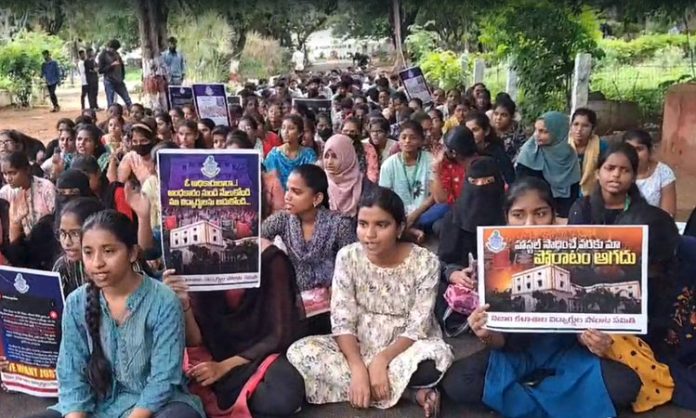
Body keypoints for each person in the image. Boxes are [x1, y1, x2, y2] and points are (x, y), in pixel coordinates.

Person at [440, 177, 641, 418]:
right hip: (515, 354)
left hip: (567, 354)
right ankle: (561, 398)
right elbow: (499, 341)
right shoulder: (495, 258)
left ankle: (520, 399)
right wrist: (486, 333)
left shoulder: (576, 250)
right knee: (458, 381)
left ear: (554, 214)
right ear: (506, 217)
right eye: (518, 215)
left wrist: (596, 339)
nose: (529, 223)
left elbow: (586, 315)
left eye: (540, 213)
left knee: (626, 385)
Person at [286, 187, 453, 417]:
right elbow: (342, 319)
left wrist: (381, 360)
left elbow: (419, 325)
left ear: (400, 228)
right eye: (363, 224)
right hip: (359, 341)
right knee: (300, 353)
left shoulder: (425, 262)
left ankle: (372, 387)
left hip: (406, 345)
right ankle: (407, 393)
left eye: (381, 225)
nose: (369, 234)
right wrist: (357, 368)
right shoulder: (348, 257)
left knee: (435, 359)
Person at [26, 210, 204, 418]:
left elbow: (164, 378)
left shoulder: (163, 301)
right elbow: (71, 373)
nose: (97, 262)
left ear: (132, 253)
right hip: (96, 404)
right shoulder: (76, 302)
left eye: (109, 251)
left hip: (155, 406)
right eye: (88, 252)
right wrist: (76, 415)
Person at [162, 235, 306, 417]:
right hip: (214, 356)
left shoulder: (271, 260)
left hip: (262, 356)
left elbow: (278, 335)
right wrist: (184, 305)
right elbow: (196, 341)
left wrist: (223, 367)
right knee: (180, 397)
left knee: (281, 398)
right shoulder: (197, 258)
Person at [261, 164, 355, 334]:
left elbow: (350, 269)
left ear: (317, 198)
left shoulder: (340, 225)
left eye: (296, 192)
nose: (287, 197)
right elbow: (257, 239)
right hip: (294, 304)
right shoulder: (282, 220)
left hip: (332, 305)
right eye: (288, 189)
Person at [438, 157, 505, 274]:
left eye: (488, 181)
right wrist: (453, 273)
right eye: (474, 182)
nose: (480, 187)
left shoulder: (511, 216)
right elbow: (442, 263)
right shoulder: (453, 218)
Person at [379, 121, 437, 240]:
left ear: (421, 141)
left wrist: (414, 215)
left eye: (413, 138)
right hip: (397, 213)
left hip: (424, 212)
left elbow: (433, 195)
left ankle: (404, 229)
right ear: (398, 140)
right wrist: (402, 217)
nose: (407, 141)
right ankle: (407, 229)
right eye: (403, 137)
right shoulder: (389, 165)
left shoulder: (430, 160)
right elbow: (385, 197)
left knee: (442, 210)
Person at [516, 111, 581, 218]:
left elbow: (573, 189)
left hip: (563, 213)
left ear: (558, 132)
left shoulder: (569, 155)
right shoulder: (529, 152)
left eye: (543, 131)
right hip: (534, 213)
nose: (537, 135)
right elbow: (521, 189)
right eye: (536, 130)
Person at [568, 142, 646, 225]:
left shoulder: (644, 213)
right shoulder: (582, 209)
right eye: (610, 168)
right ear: (597, 173)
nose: (616, 174)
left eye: (624, 170)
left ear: (634, 177)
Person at [52, 197, 104, 296]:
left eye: (75, 233)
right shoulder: (63, 266)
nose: (67, 242)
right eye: (62, 233)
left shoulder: (112, 264)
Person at [0, 152, 56, 242]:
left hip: (48, 241)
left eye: (12, 173)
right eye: (5, 174)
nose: (8, 178)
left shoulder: (46, 187)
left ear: (27, 170)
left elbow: (55, 219)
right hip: (19, 242)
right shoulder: (5, 193)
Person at [623, 129, 677, 217]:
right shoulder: (618, 171)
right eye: (629, 149)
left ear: (649, 150)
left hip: (655, 225)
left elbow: (668, 214)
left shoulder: (663, 173)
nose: (634, 154)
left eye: (639, 149)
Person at [323, 134, 378, 218]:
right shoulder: (320, 182)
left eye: (335, 156)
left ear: (347, 157)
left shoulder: (366, 187)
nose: (329, 162)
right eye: (326, 156)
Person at [264, 114, 317, 190]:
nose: (285, 132)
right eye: (283, 128)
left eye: (291, 128)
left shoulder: (309, 155)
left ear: (300, 133)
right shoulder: (274, 155)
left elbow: (312, 182)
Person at [430, 126, 478, 206]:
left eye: (445, 147)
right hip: (457, 211)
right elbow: (441, 199)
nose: (443, 150)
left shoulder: (484, 164)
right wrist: (436, 170)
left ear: (453, 153)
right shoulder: (448, 166)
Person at [464, 111, 515, 185]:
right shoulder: (464, 153)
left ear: (486, 131)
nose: (470, 134)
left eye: (475, 130)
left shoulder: (497, 153)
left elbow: (509, 179)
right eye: (467, 131)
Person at [568, 108, 608, 197]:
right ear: (571, 126)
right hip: (565, 194)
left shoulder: (601, 147)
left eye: (585, 126)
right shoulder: (563, 146)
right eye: (576, 124)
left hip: (593, 194)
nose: (579, 129)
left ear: (593, 128)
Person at [341, 117, 379, 183]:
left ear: (359, 132)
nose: (348, 133)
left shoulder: (368, 148)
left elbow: (372, 173)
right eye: (345, 131)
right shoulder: (336, 148)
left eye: (352, 131)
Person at [98, 39, 132, 108]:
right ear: (110, 47)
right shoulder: (103, 55)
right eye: (113, 49)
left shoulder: (117, 54)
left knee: (127, 99)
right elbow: (100, 70)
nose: (114, 51)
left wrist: (122, 76)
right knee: (111, 101)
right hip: (109, 80)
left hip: (119, 80)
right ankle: (112, 116)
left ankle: (132, 112)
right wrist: (111, 65)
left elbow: (121, 66)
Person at [492, 96, 525, 161]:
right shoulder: (488, 131)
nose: (498, 118)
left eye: (503, 115)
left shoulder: (519, 134)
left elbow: (520, 156)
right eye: (496, 114)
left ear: (511, 117)